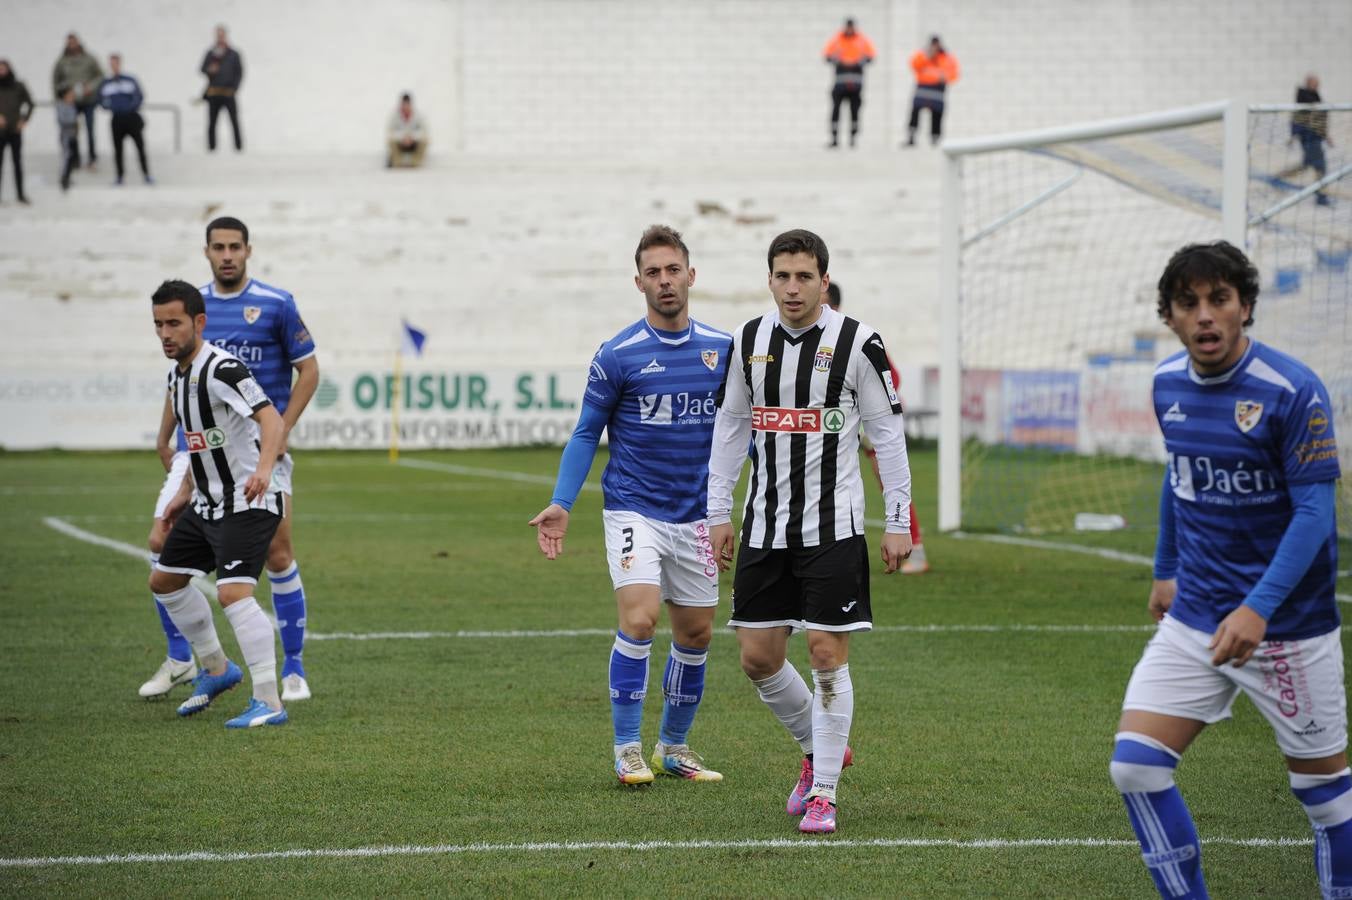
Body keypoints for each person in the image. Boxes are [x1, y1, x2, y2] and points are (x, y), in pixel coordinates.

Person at [1111, 241, 1348, 898]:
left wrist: (1260, 607)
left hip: (1288, 627)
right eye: (1189, 303)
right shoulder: (1166, 384)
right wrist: (1166, 567)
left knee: (1325, 796)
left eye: (1220, 299)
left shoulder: (1292, 390)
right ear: (1170, 316)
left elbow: (1314, 513)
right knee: (1135, 767)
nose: (1206, 316)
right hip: (1197, 617)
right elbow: (1178, 472)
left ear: (1246, 306)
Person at [708, 229, 913, 834]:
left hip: (834, 526)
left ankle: (824, 790)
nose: (792, 288)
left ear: (825, 280)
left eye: (804, 277)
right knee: (757, 658)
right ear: (769, 279)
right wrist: (719, 511)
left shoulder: (857, 342)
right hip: (766, 527)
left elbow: (888, 433)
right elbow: (730, 430)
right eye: (782, 276)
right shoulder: (748, 341)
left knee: (826, 653)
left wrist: (898, 520)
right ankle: (816, 748)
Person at [530, 225, 732, 786]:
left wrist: (727, 510)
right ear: (638, 281)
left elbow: (740, 431)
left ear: (690, 275)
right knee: (640, 619)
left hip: (694, 515)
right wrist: (561, 502)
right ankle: (626, 749)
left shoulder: (723, 351)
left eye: (673, 270)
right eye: (653, 273)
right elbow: (584, 432)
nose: (664, 281)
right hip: (633, 509)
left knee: (696, 635)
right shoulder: (618, 354)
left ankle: (674, 746)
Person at [138, 217, 319, 703]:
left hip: (256, 447)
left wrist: (277, 439)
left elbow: (309, 371)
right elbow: (179, 384)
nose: (226, 255)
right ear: (207, 252)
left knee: (273, 557)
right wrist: (166, 438)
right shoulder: (189, 304)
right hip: (201, 446)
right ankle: (189, 659)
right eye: (218, 247)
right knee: (162, 545)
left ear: (247, 251)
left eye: (234, 247)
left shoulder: (276, 304)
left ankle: (291, 671)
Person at [147, 279, 289, 728]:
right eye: (158, 324)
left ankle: (269, 701)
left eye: (174, 323)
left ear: (198, 322)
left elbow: (272, 419)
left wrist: (264, 469)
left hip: (247, 501)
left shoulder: (224, 370)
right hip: (206, 503)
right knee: (165, 582)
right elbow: (199, 443)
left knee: (232, 593)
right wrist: (185, 491)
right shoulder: (177, 375)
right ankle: (216, 669)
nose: (166, 333)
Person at [824, 282, 928, 574]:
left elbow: (891, 376)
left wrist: (868, 415)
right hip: (831, 430)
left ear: (832, 304)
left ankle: (915, 549)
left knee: (891, 483)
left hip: (865, 427)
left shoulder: (852, 339)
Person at [98, 54, 152, 186]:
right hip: (117, 119)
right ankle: (120, 176)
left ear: (120, 63)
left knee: (140, 147)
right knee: (118, 150)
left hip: (131, 117)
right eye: (112, 63)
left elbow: (139, 96)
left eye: (116, 63)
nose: (114, 66)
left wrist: (129, 108)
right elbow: (101, 100)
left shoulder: (130, 80)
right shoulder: (106, 83)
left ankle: (147, 175)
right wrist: (111, 107)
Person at [821, 18, 875, 149]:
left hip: (855, 85)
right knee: (836, 110)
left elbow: (871, 56)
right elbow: (827, 55)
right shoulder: (837, 39)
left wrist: (858, 62)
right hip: (840, 83)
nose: (849, 29)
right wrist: (838, 60)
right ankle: (834, 139)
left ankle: (853, 139)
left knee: (854, 111)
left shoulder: (862, 40)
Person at [1281, 74, 1334, 206]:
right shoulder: (1305, 98)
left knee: (1307, 165)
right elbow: (1298, 118)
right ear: (1308, 83)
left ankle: (1282, 176)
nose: (1317, 85)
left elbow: (1319, 119)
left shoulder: (1314, 96)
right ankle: (1321, 197)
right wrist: (1293, 135)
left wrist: (1326, 136)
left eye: (1317, 83)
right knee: (1320, 167)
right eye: (1314, 83)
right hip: (1309, 138)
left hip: (1315, 136)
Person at [52, 33, 102, 168]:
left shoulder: (89, 58)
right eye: (69, 42)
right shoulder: (62, 61)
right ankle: (75, 159)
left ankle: (92, 158)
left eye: (74, 42)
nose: (72, 44)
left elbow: (100, 76)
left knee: (90, 129)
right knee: (72, 131)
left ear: (78, 42)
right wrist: (62, 98)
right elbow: (55, 81)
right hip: (70, 103)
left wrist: (90, 87)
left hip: (88, 101)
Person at [905, 35, 959, 147]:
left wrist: (945, 78)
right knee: (915, 113)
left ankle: (935, 138)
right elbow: (914, 64)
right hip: (922, 90)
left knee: (937, 115)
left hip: (938, 91)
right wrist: (927, 56)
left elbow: (954, 73)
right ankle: (911, 136)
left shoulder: (947, 57)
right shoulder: (923, 54)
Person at [201, 25, 244, 152]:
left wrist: (234, 88)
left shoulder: (233, 54)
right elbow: (203, 68)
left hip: (228, 93)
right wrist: (210, 70)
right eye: (218, 35)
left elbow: (239, 72)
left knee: (234, 121)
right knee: (212, 122)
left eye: (222, 35)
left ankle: (238, 147)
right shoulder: (211, 53)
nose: (220, 37)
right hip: (214, 93)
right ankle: (211, 147)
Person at [0, 60, 34, 204]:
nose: (1, 71)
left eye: (3, 68)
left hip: (15, 130)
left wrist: (24, 120)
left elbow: (30, 104)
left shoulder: (18, 86)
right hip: (0, 132)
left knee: (17, 163)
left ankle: (20, 195)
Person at [387, 93, 429, 168]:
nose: (406, 107)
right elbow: (390, 132)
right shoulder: (394, 116)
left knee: (425, 141)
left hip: (414, 143)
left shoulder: (418, 115)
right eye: (404, 104)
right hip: (400, 143)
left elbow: (423, 131)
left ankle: (416, 163)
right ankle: (397, 163)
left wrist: (411, 137)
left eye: (407, 104)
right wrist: (403, 137)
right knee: (390, 141)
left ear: (410, 104)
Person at [55, 86, 79, 192]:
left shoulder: (72, 105)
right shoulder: (61, 106)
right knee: (66, 156)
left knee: (72, 157)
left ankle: (68, 176)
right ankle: (64, 177)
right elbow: (63, 120)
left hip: (73, 134)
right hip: (65, 135)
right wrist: (73, 122)